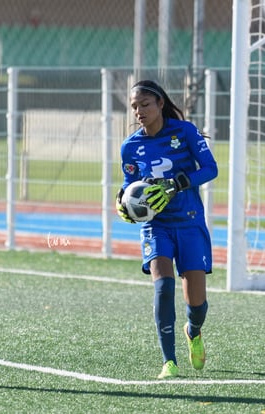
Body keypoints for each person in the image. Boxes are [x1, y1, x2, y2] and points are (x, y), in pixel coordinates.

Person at [115, 80, 218, 379]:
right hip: (156, 225)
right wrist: (122, 201)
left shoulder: (184, 132)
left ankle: (193, 330)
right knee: (163, 286)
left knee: (196, 303)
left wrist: (177, 183)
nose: (139, 111)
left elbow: (210, 168)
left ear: (160, 104)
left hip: (189, 222)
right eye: (134, 106)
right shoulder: (130, 146)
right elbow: (127, 184)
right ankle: (169, 362)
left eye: (145, 104)